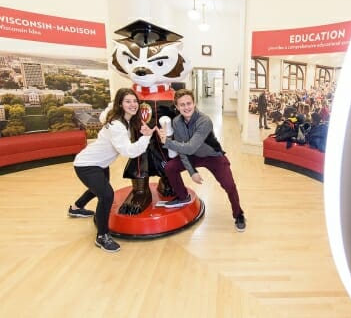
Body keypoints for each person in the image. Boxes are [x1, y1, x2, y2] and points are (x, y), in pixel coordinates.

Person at [69, 88, 158, 252]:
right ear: (120, 104)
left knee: (100, 187)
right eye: (127, 101)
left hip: (100, 163)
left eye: (134, 101)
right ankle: (102, 236)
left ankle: (76, 207)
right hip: (87, 164)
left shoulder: (125, 119)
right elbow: (128, 152)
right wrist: (146, 137)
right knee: (106, 194)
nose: (133, 104)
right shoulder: (117, 125)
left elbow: (108, 114)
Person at [158, 89, 246, 232]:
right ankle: (182, 196)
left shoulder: (204, 121)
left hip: (212, 156)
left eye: (189, 103)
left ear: (194, 103)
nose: (186, 107)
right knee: (170, 167)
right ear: (177, 106)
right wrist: (192, 171)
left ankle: (239, 214)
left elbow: (191, 147)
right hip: (192, 156)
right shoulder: (176, 122)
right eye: (182, 105)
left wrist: (167, 142)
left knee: (229, 185)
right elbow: (183, 150)